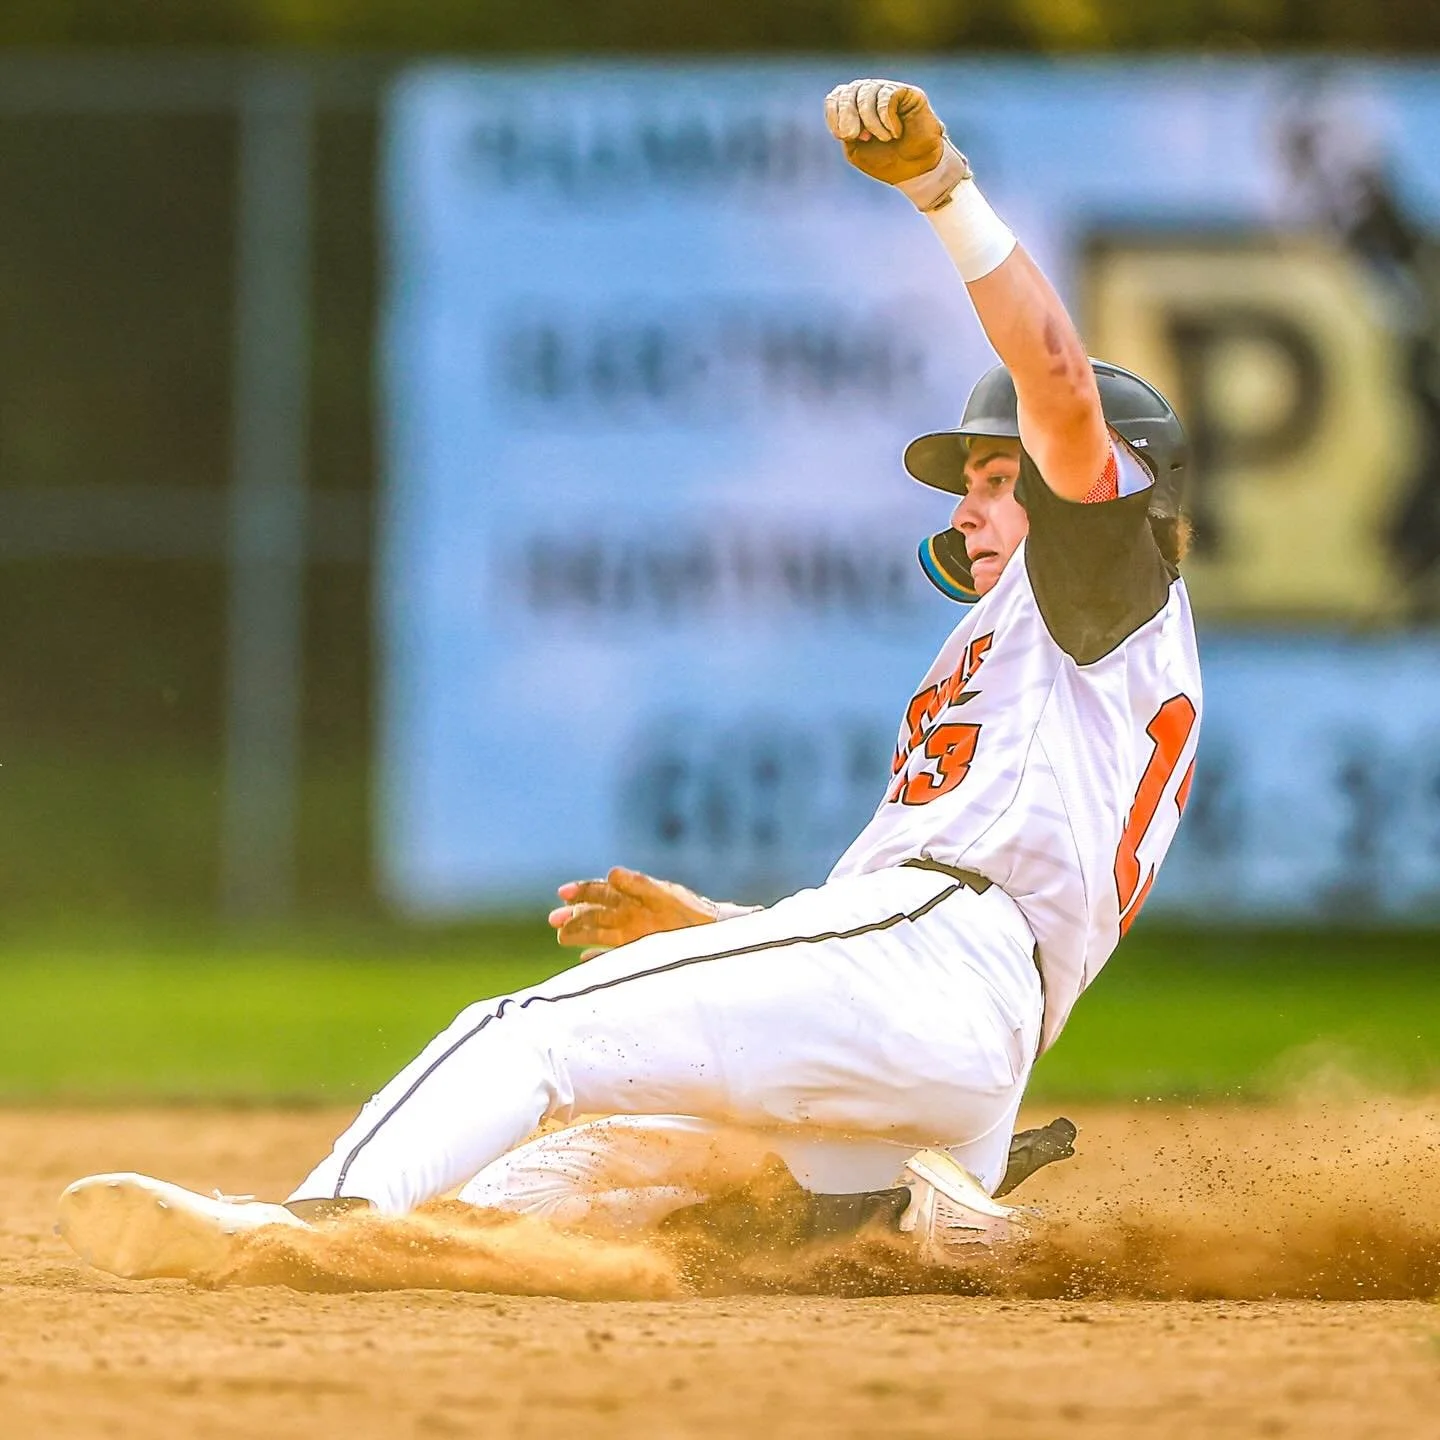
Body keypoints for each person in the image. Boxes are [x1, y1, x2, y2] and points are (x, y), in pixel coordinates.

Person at [57, 78, 1201, 1282]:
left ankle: (310, 1230)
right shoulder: (1056, 653)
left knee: (527, 1034)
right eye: (969, 482)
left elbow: (1057, 381)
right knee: (593, 1169)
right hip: (956, 1020)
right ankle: (914, 1219)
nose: (969, 506)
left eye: (997, 478)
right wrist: (724, 931)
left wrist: (941, 188)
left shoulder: (1103, 578)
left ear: (1116, 485)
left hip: (940, 969)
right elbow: (951, 895)